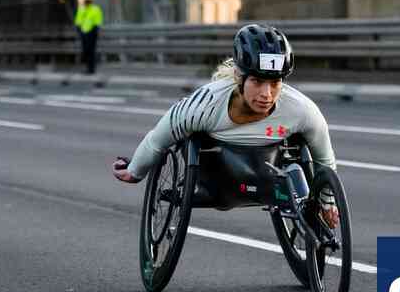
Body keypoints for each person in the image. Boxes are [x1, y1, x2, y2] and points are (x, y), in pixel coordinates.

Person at [112, 24, 339, 228]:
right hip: (216, 178)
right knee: (185, 137)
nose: (267, 94)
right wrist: (136, 171)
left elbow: (324, 161)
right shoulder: (205, 104)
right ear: (239, 77)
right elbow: (159, 138)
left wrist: (327, 203)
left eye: (275, 82)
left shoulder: (301, 109)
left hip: (270, 176)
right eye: (257, 82)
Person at [74, 0, 103, 74]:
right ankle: (88, 68)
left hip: (92, 33)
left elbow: (98, 21)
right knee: (86, 51)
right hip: (84, 33)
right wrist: (78, 29)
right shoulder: (82, 9)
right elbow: (78, 20)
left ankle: (91, 69)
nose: (86, 3)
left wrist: (95, 30)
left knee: (91, 51)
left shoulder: (95, 9)